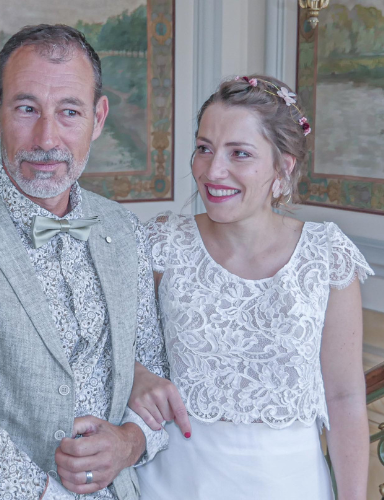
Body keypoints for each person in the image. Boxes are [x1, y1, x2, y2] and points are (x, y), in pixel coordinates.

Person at [0, 24, 168, 500]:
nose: (46, 138)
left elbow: (153, 374)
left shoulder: (124, 229)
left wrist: (130, 442)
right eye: (26, 108)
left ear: (99, 118)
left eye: (70, 111)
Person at [129, 75, 372, 500]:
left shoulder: (327, 256)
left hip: (291, 484)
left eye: (239, 153)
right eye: (204, 148)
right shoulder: (161, 244)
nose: (212, 170)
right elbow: (113, 349)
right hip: (175, 481)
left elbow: (345, 397)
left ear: (283, 167)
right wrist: (136, 375)